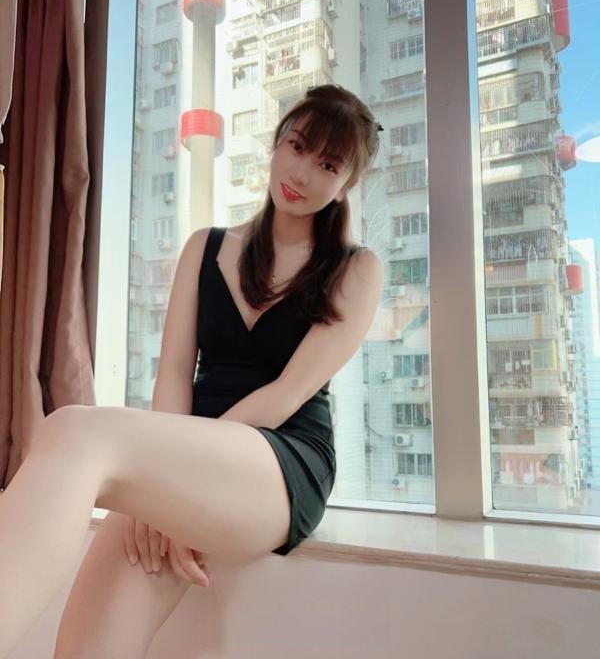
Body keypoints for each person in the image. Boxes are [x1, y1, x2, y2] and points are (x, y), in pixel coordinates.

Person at [0, 83, 384, 657]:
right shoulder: (205, 247)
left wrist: (169, 490)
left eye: (328, 165)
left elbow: (286, 394)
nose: (302, 173)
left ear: (346, 183)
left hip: (279, 458)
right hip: (186, 453)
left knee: (75, 429)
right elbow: (176, 372)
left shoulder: (356, 268)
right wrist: (167, 489)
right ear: (278, 141)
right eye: (297, 146)